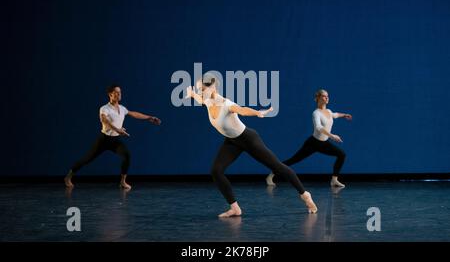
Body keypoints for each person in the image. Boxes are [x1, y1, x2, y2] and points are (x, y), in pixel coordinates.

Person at [185, 73, 317, 217]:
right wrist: (192, 94)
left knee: (277, 167)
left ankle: (305, 194)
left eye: (202, 89)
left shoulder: (226, 104)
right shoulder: (208, 101)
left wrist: (257, 113)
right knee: (216, 171)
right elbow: (200, 100)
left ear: (213, 87)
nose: (201, 93)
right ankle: (235, 208)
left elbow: (242, 110)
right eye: (199, 90)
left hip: (248, 139)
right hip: (231, 142)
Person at [64, 84, 161, 189]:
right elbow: (104, 120)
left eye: (120, 92)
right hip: (104, 139)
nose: (119, 94)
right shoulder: (104, 108)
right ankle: (68, 177)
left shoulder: (122, 108)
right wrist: (117, 129)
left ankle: (122, 182)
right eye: (116, 92)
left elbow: (134, 114)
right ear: (110, 94)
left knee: (127, 155)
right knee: (86, 159)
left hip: (115, 140)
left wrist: (149, 117)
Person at [266, 89, 351, 188]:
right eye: (324, 96)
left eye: (327, 96)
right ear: (318, 98)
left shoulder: (328, 111)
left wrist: (344, 115)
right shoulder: (316, 113)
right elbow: (319, 128)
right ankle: (271, 175)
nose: (327, 98)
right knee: (293, 160)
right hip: (313, 143)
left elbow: (335, 115)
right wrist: (332, 136)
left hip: (324, 143)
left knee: (341, 155)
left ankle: (334, 180)